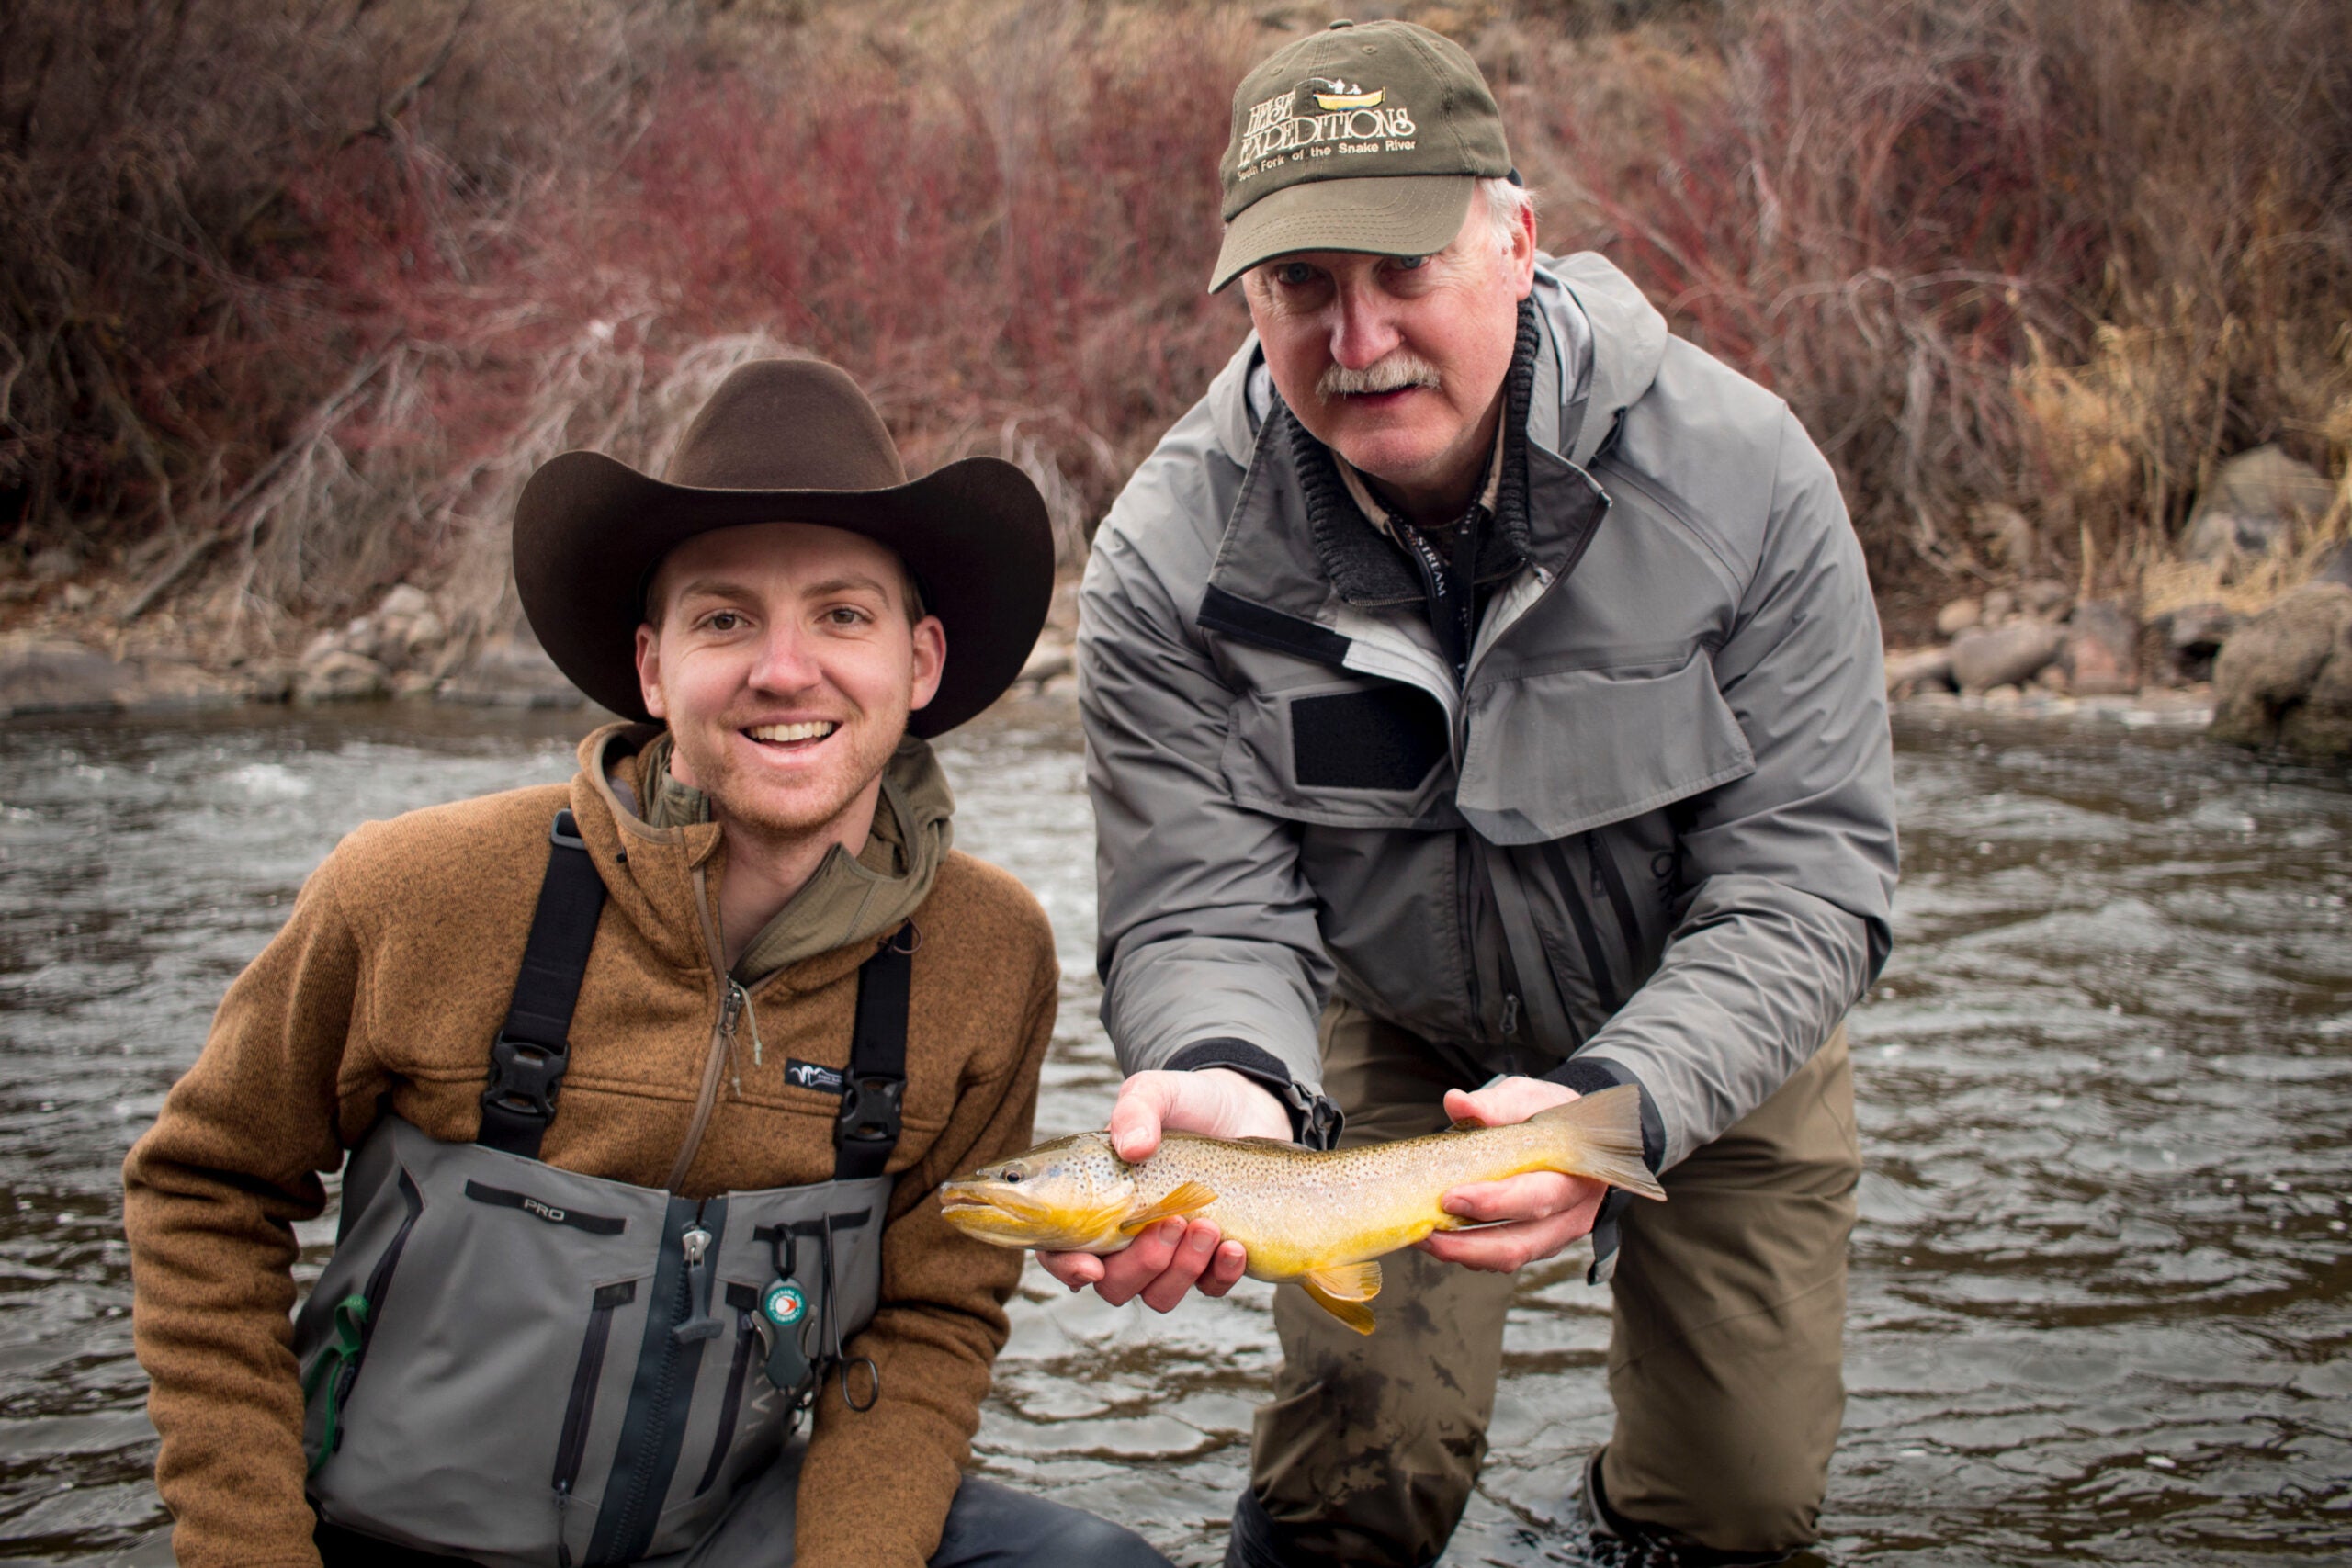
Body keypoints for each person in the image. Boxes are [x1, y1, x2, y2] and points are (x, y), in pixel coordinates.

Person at [1062, 19, 1897, 1568]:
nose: (1357, 336)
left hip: (1713, 1023)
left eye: (1403, 271)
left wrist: (1612, 1103)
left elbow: (1808, 884)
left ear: (1516, 244)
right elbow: (1200, 903)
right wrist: (1226, 1074)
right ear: (1249, 294)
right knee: (1349, 1484)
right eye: (1301, 285)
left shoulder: (1746, 478)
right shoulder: (1168, 559)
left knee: (1737, 1504)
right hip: (1393, 1033)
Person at [123, 359, 1171, 1568]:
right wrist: (249, 1549)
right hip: (379, 1537)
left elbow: (934, 1315)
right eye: (725, 618)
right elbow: (205, 1194)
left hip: (718, 1534)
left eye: (842, 614)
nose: (786, 670)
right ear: (652, 666)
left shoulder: (990, 954)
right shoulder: (415, 890)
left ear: (920, 663)